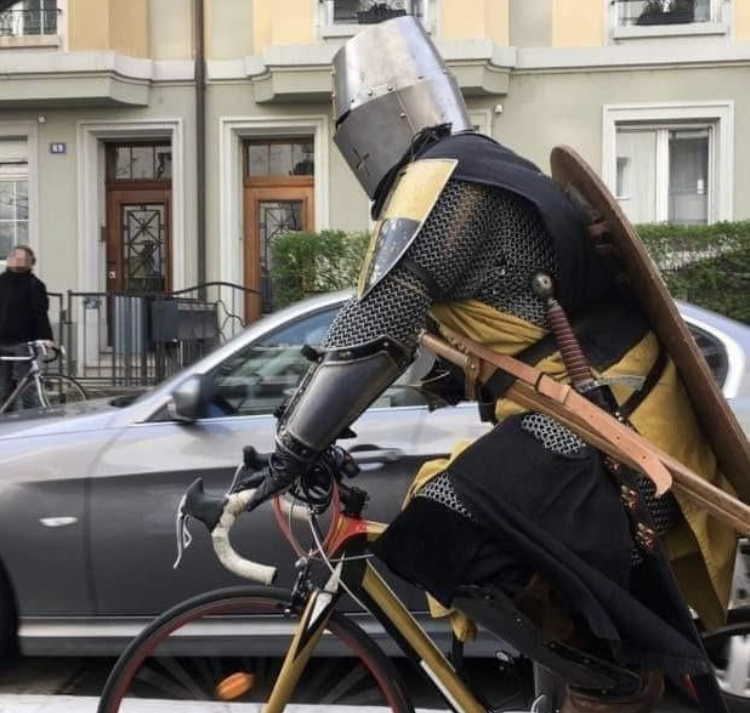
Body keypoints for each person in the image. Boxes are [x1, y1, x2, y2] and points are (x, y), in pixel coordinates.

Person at [232, 17, 736, 712]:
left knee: (443, 522)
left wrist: (292, 447)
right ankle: (575, 683)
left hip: (604, 424)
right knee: (480, 519)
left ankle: (610, 682)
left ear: (377, 121)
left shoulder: (435, 183)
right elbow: (484, 326)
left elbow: (375, 329)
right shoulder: (486, 166)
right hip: (607, 411)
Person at [0, 245, 54, 408]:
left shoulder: (35, 285)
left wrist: (45, 337)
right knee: (4, 389)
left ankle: (31, 419)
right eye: (15, 258)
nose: (18, 262)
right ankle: (6, 421)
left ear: (31, 263)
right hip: (2, 342)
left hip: (24, 342)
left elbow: (40, 313)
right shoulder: (1, 281)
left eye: (22, 259)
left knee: (26, 388)